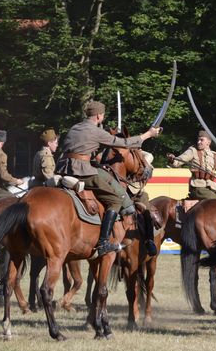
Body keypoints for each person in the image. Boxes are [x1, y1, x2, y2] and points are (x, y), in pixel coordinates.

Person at [55, 100, 161, 257]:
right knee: (116, 200)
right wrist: (148, 134)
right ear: (99, 115)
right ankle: (103, 242)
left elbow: (79, 148)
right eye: (103, 115)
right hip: (82, 171)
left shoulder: (75, 127)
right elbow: (122, 143)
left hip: (64, 168)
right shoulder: (94, 130)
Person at [167, 130, 216, 200]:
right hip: (197, 187)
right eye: (198, 140)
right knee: (215, 200)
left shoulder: (215, 155)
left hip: (213, 188)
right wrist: (172, 160)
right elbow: (177, 162)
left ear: (208, 142)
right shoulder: (193, 150)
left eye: (201, 140)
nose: (199, 142)